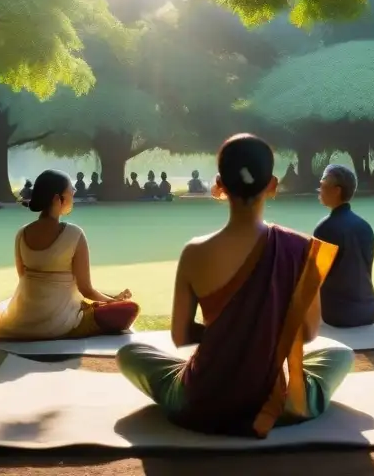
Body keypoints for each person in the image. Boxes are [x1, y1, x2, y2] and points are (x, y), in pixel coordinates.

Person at [115, 134, 354, 438]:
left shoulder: (195, 252)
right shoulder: (300, 249)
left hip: (202, 400)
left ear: (219, 184)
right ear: (273, 185)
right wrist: (258, 337)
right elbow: (308, 332)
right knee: (341, 354)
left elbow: (180, 335)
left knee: (130, 355)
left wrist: (229, 337)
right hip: (280, 401)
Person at [0, 170, 139, 340]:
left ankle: (107, 301)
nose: (74, 192)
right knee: (130, 309)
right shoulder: (74, 234)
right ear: (57, 199)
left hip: (20, 320)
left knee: (103, 304)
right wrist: (115, 302)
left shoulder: (22, 233)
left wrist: (110, 298)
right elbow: (86, 290)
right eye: (70, 190)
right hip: (60, 323)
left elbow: (24, 276)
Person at [312, 164, 374, 328]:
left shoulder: (325, 228)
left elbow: (313, 277)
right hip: (368, 311)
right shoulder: (365, 226)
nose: (319, 189)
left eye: (323, 185)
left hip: (338, 314)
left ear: (337, 190)